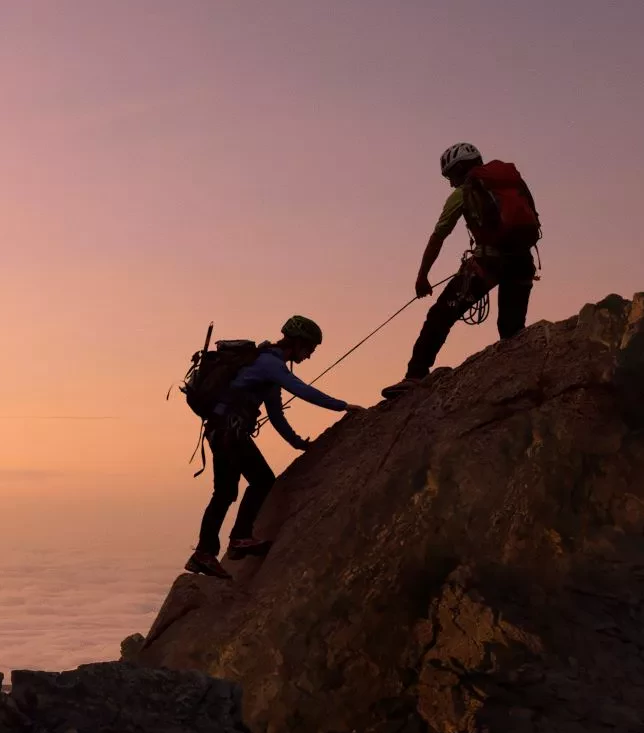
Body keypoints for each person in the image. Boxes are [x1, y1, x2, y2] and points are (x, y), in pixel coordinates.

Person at [188, 315, 356, 579]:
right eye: (309, 349)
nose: (309, 355)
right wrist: (343, 406)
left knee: (225, 492)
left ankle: (205, 552)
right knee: (262, 480)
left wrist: (298, 443)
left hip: (220, 431)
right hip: (230, 432)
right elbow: (302, 390)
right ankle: (237, 538)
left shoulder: (264, 366)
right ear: (298, 343)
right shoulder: (270, 363)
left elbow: (277, 416)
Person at [383, 141, 541, 398]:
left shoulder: (464, 192)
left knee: (439, 316)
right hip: (522, 262)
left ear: (460, 170)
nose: (450, 183)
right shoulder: (511, 183)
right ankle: (519, 378)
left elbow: (438, 236)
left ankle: (415, 376)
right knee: (511, 329)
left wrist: (422, 276)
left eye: (451, 176)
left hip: (487, 264)